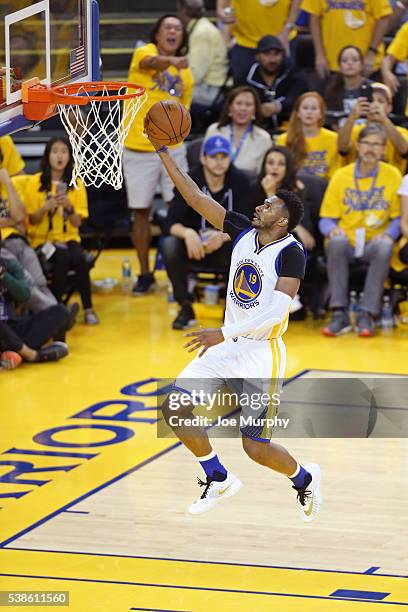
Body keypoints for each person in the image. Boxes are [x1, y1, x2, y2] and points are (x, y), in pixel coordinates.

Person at [145, 119, 322, 521]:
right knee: (174, 407)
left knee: (255, 447)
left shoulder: (292, 253)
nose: (262, 204)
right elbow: (193, 197)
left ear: (282, 221)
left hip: (261, 356)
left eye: (270, 205)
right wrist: (163, 152)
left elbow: (275, 313)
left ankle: (304, 479)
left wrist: (221, 332)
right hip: (226, 344)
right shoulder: (242, 229)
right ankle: (217, 476)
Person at [123, 14, 193, 295]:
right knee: (141, 213)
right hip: (138, 146)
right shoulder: (145, 51)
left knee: (183, 207)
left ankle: (180, 274)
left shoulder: (187, 74)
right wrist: (173, 62)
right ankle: (144, 273)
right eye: (168, 27)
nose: (173, 32)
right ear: (158, 33)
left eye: (178, 28)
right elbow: (149, 64)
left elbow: (184, 115)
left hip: (173, 149)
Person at [162, 135, 254, 330]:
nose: (219, 162)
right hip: (195, 248)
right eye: (214, 156)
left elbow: (249, 226)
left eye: (224, 156)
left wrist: (223, 236)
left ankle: (231, 311)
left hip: (226, 250)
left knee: (245, 249)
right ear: (203, 158)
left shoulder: (240, 182)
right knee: (169, 245)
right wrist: (188, 234)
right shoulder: (190, 180)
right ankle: (185, 307)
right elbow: (169, 222)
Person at [319, 124, 401, 337]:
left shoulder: (393, 175)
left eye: (376, 144)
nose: (371, 149)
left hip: (375, 241)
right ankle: (339, 313)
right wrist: (332, 230)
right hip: (347, 240)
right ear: (358, 145)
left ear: (384, 149)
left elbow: (398, 216)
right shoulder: (340, 175)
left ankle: (367, 313)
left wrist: (390, 234)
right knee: (334, 242)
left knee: (385, 245)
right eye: (366, 143)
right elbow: (326, 219)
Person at [14, 137, 99, 325]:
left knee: (78, 258)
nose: (59, 156)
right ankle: (57, 310)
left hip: (69, 238)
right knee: (61, 257)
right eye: (55, 151)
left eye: (63, 151)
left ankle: (88, 309)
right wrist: (45, 207)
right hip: (42, 241)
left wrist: (69, 208)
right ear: (47, 156)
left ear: (70, 156)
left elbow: (77, 223)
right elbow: (30, 220)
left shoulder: (76, 183)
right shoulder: (34, 182)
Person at [216, 0, 303, 85]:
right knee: (243, 90)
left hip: (282, 40)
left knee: (285, 88)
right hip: (245, 41)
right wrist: (221, 11)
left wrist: (287, 28)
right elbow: (223, 7)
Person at [300, 0, 392, 79]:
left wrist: (371, 53)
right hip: (331, 62)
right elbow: (314, 17)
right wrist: (319, 54)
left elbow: (383, 18)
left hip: (365, 62)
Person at [337, 82, 408, 174]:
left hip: (390, 183)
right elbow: (342, 148)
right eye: (371, 100)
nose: (375, 105)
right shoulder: (355, 130)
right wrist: (353, 116)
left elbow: (404, 150)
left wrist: (384, 119)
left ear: (389, 107)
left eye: (380, 101)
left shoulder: (401, 132)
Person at [205, 86, 272, 175]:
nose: (243, 108)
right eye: (239, 103)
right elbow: (203, 165)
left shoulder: (264, 138)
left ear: (255, 110)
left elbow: (264, 174)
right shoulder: (214, 130)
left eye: (248, 105)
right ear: (230, 107)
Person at [246, 35, 309, 130]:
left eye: (276, 54)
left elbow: (300, 98)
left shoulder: (293, 73)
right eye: (267, 54)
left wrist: (278, 106)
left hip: (290, 129)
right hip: (255, 130)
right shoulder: (246, 77)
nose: (272, 59)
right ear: (257, 56)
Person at [276, 92, 341, 181]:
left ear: (321, 114)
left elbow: (335, 174)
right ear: (298, 113)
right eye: (305, 108)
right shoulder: (283, 139)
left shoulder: (334, 139)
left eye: (314, 108)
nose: (309, 112)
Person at [177, 0, 228, 108]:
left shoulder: (202, 33)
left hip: (209, 90)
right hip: (207, 87)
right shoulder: (201, 27)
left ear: (183, 11)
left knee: (164, 93)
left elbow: (195, 75)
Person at [324, 46, 373, 128]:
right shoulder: (332, 90)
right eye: (344, 60)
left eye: (355, 60)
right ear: (339, 66)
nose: (350, 63)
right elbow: (332, 121)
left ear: (361, 65)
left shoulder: (373, 88)